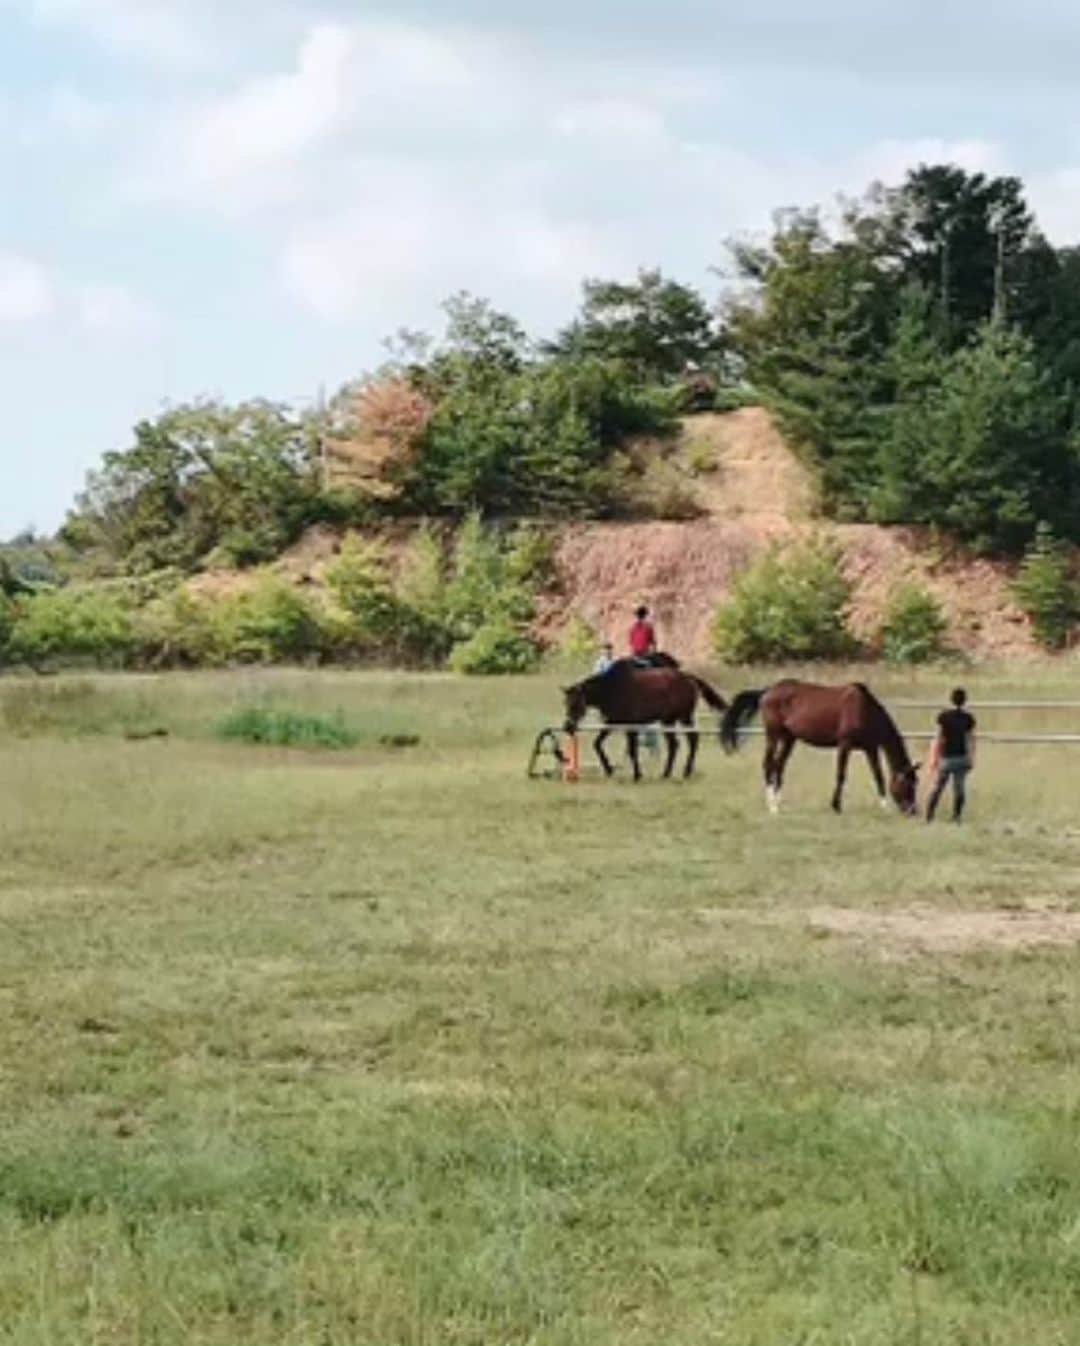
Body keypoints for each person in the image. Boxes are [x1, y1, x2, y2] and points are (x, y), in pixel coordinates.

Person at [926, 688, 977, 823]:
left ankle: (929, 815)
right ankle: (956, 816)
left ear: (951, 699)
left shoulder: (943, 717)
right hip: (962, 757)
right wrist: (972, 757)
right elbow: (971, 739)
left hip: (946, 758)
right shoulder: (968, 718)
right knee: (959, 788)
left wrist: (933, 758)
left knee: (937, 787)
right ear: (964, 701)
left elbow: (938, 738)